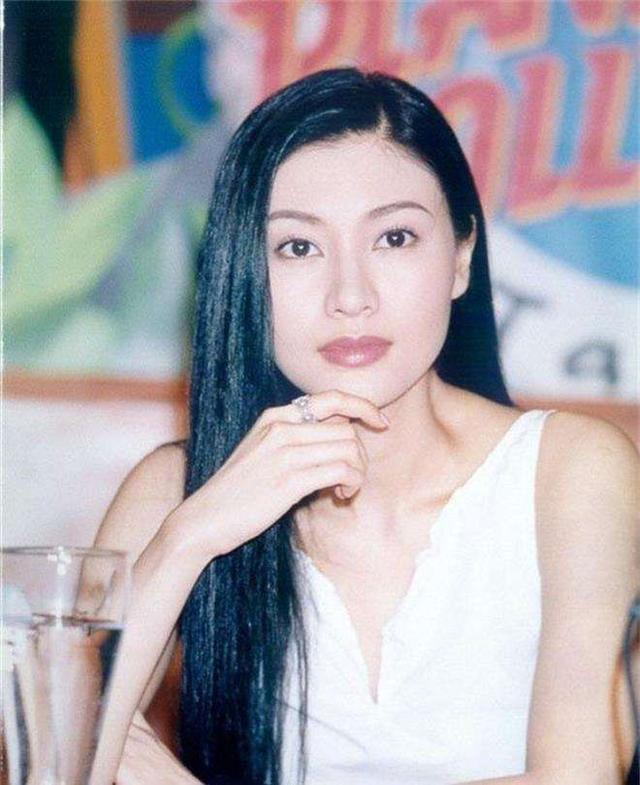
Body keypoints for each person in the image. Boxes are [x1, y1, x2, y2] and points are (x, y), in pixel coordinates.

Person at [90, 68, 638, 785]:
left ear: (461, 258)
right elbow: (59, 752)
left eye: (395, 237)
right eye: (298, 247)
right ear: (243, 274)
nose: (351, 296)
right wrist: (192, 535)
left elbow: (576, 778)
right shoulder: (175, 492)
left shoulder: (569, 471)